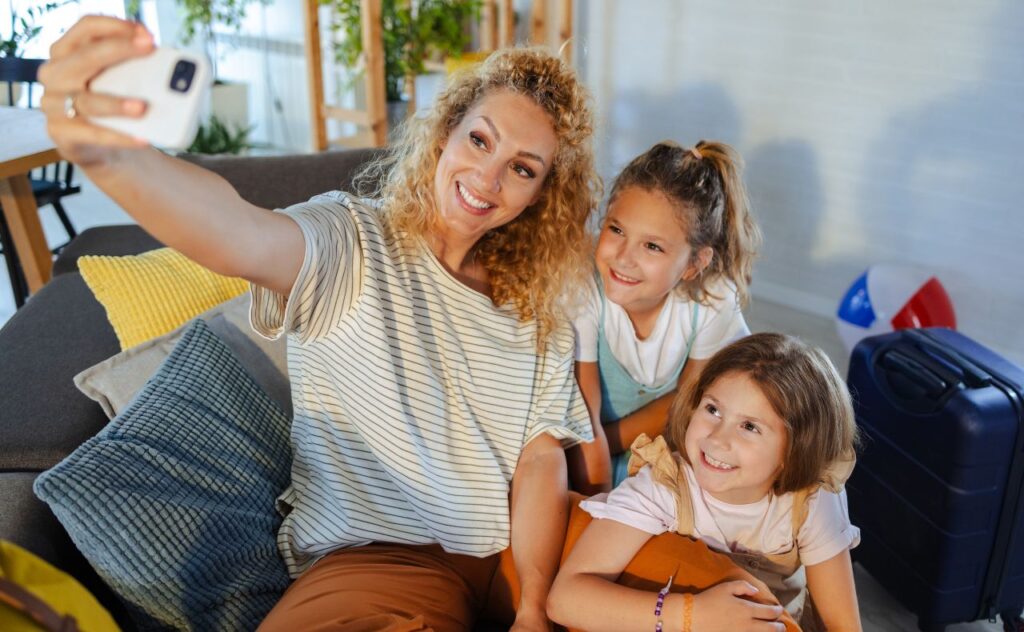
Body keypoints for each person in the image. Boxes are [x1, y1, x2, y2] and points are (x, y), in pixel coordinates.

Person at [39, 17, 601, 631]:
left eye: (523, 169)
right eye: (480, 141)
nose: (489, 179)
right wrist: (109, 155)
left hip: (528, 554)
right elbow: (237, 234)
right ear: (445, 135)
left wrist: (532, 608)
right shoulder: (354, 240)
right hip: (384, 560)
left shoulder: (537, 306)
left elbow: (541, 460)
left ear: (540, 196)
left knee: (702, 592)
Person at [549, 333, 862, 632]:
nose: (717, 438)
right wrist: (690, 615)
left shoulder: (811, 500)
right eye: (713, 409)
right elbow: (565, 599)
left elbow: (841, 624)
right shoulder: (664, 486)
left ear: (795, 449)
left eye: (750, 427)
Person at [567, 140, 762, 493]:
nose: (623, 257)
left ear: (693, 264)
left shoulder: (713, 295)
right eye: (616, 230)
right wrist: (597, 506)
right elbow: (584, 423)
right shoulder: (583, 284)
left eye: (652, 246)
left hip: (669, 450)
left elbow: (691, 403)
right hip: (582, 457)